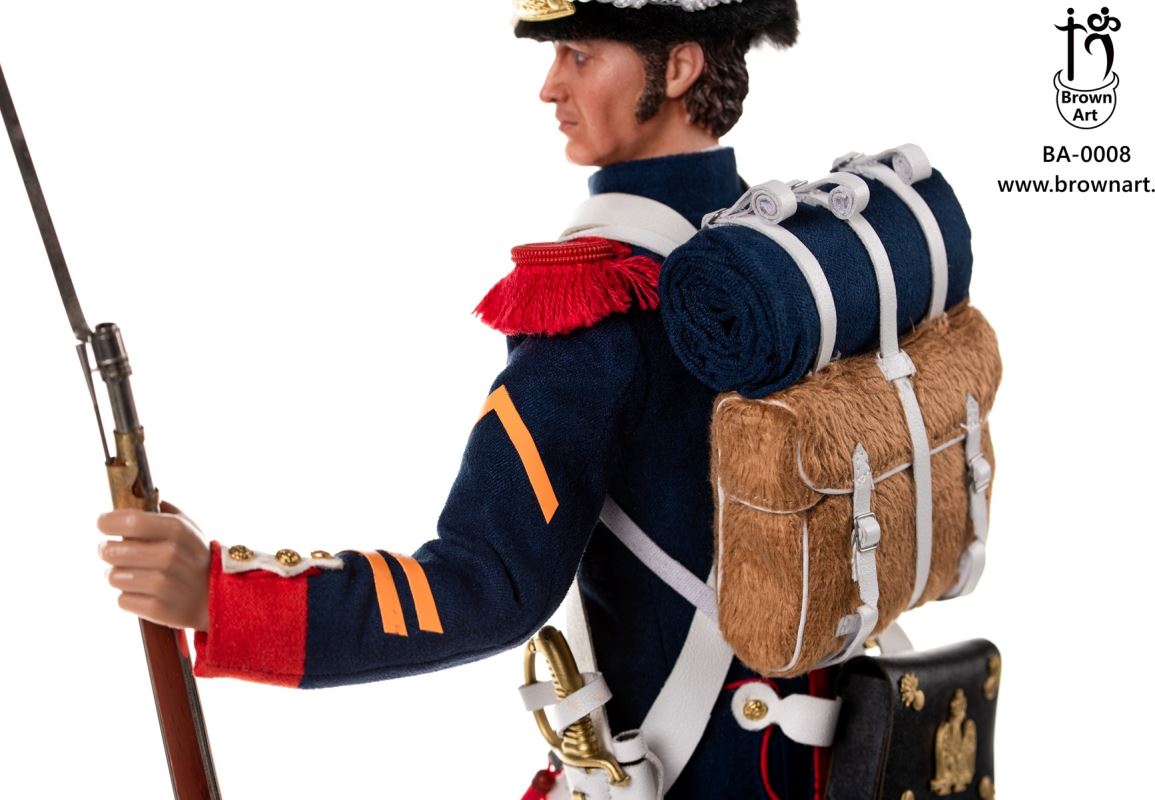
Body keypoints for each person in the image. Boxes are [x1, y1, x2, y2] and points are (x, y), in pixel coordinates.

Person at [96, 1, 825, 797]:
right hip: (823, 758)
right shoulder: (791, 259)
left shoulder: (593, 302)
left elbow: (486, 586)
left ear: (679, 68)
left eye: (580, 55)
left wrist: (224, 597)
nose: (550, 86)